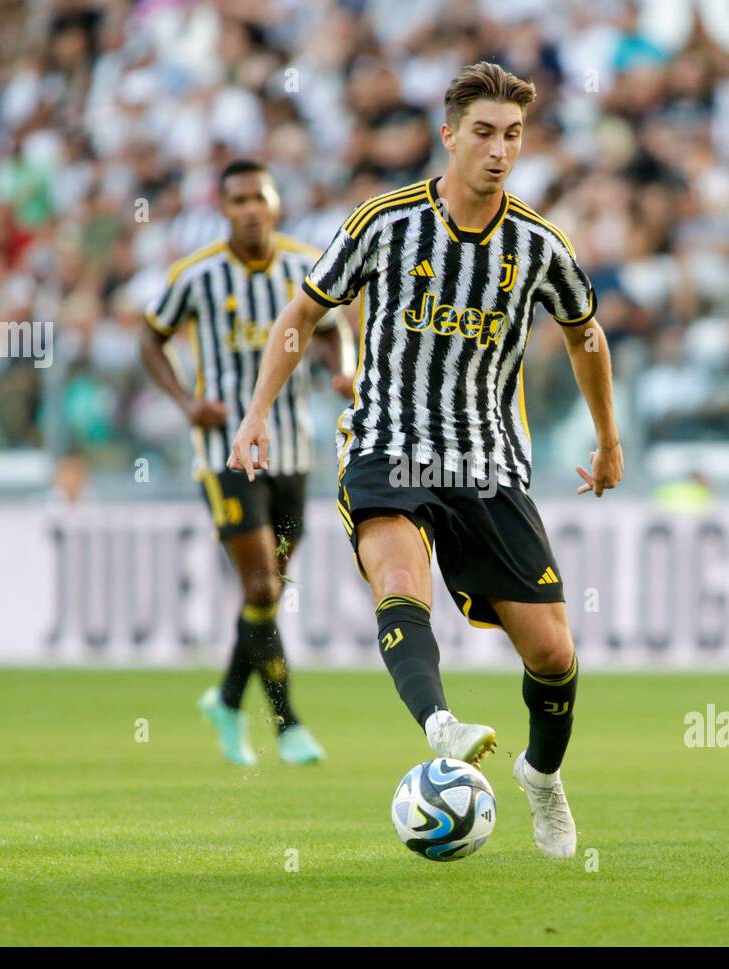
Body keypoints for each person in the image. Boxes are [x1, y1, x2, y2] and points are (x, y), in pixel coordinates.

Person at [230, 63, 622, 857]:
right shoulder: (385, 221)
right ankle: (439, 724)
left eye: (512, 135)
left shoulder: (538, 244)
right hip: (387, 442)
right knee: (400, 580)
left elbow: (585, 332)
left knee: (552, 652)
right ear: (449, 136)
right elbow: (304, 312)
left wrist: (609, 439)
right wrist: (259, 411)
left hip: (488, 461)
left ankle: (542, 778)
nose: (499, 150)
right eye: (483, 132)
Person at [141, 159, 354, 767]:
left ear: (276, 204)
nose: (250, 209)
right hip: (225, 453)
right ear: (223, 209)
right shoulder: (197, 275)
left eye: (259, 197)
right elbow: (149, 338)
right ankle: (288, 724)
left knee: (268, 591)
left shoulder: (302, 266)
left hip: (291, 448)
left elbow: (333, 325)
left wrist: (343, 367)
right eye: (237, 200)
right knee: (261, 583)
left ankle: (227, 699)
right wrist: (186, 402)